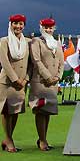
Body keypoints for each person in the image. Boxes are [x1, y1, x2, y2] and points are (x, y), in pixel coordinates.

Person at [28, 18, 63, 151]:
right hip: (41, 82)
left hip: (53, 83)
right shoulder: (36, 41)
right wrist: (48, 77)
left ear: (54, 28)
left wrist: (58, 77)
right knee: (40, 111)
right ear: (41, 28)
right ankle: (42, 140)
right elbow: (36, 61)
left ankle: (44, 138)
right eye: (46, 27)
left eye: (51, 27)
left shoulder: (57, 42)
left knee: (48, 112)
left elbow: (61, 61)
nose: (48, 30)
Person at [0, 14, 30, 153]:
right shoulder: (4, 41)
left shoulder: (28, 42)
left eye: (21, 24)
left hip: (22, 83)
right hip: (7, 82)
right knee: (7, 112)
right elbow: (5, 63)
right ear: (10, 24)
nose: (18, 26)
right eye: (15, 23)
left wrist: (25, 80)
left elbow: (31, 64)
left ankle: (7, 140)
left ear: (24, 26)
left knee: (16, 111)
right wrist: (15, 79)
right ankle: (9, 139)